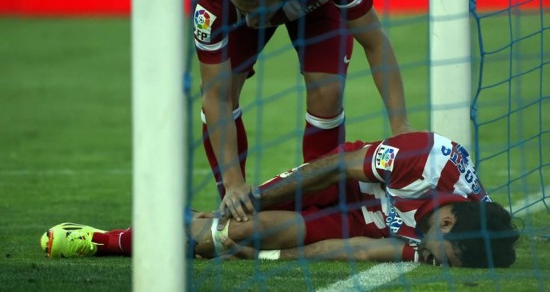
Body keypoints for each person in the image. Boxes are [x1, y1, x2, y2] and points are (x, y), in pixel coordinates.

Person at [193, 0, 411, 220]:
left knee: (327, 94)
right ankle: (234, 206)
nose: (252, 22)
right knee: (225, 88)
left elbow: (375, 43)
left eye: (256, 12)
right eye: (244, 10)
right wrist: (233, 183)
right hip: (245, 4)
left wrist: (400, 127)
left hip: (315, 4)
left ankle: (322, 207)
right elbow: (215, 97)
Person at [40, 132, 518, 267]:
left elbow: (355, 250)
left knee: (235, 235)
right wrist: (251, 196)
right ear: (450, 225)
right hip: (341, 178)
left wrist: (269, 255)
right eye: (446, 258)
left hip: (363, 219)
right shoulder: (429, 161)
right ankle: (105, 240)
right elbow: (331, 167)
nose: (439, 263)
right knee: (242, 212)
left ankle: (168, 229)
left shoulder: (447, 238)